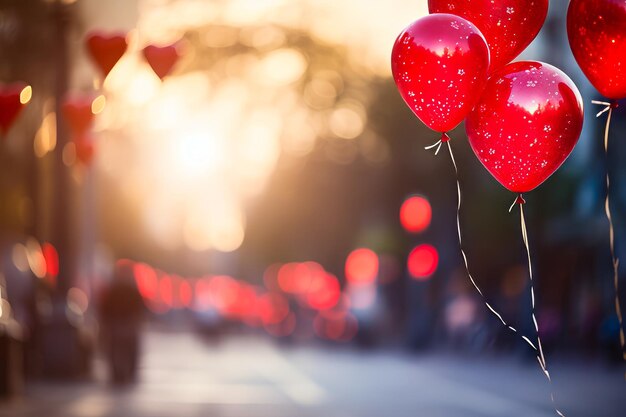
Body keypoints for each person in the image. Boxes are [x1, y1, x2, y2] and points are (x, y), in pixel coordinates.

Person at [99, 263, 145, 385]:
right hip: (125, 324)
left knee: (116, 349)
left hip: (118, 324)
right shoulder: (132, 290)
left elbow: (105, 308)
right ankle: (126, 372)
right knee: (128, 349)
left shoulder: (113, 289)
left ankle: (118, 373)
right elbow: (140, 308)